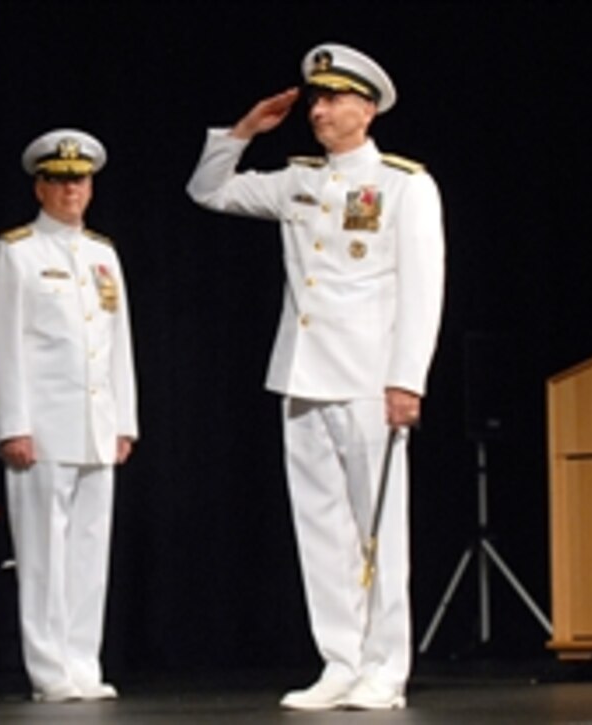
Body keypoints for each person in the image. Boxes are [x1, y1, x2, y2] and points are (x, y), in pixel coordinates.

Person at [186, 43, 444, 710]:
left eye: (332, 100)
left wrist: (405, 378)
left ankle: (385, 666)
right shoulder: (298, 178)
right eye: (316, 100)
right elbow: (207, 190)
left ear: (367, 107)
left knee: (379, 528)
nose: (320, 110)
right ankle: (340, 659)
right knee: (321, 529)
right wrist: (243, 132)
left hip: (368, 377)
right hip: (300, 375)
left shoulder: (403, 184)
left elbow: (422, 290)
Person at [0, 129, 138, 703]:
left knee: (90, 551)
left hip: (95, 423)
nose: (72, 189)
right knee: (45, 552)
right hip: (43, 426)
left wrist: (124, 421)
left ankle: (83, 663)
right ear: (40, 186)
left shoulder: (102, 253)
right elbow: (0, 345)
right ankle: (49, 670)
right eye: (61, 179)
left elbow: (117, 343)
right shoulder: (16, 252)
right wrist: (11, 424)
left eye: (81, 179)